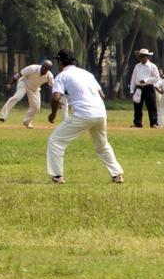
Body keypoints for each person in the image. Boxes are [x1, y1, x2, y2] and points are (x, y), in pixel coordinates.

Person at [46, 49, 123, 184]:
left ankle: (57, 176)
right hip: (100, 113)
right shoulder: (87, 74)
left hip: (83, 114)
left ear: (60, 62)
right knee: (102, 145)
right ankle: (117, 174)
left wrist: (52, 115)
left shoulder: (62, 76)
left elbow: (55, 97)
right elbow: (102, 95)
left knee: (56, 141)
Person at [0, 60, 53, 128]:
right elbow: (19, 74)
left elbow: (51, 87)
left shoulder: (49, 76)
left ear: (49, 69)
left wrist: (52, 99)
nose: (43, 68)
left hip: (34, 89)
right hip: (24, 83)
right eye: (43, 66)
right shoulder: (33, 68)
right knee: (17, 97)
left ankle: (27, 122)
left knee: (36, 107)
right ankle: (3, 116)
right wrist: (10, 84)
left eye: (46, 68)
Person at [130, 49, 161, 128]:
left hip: (149, 87)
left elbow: (157, 78)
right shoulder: (137, 66)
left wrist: (146, 80)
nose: (141, 58)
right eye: (140, 56)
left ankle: (154, 123)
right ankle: (137, 123)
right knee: (137, 106)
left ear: (147, 57)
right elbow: (133, 78)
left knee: (151, 106)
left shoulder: (152, 66)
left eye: (143, 56)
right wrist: (132, 89)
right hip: (139, 88)